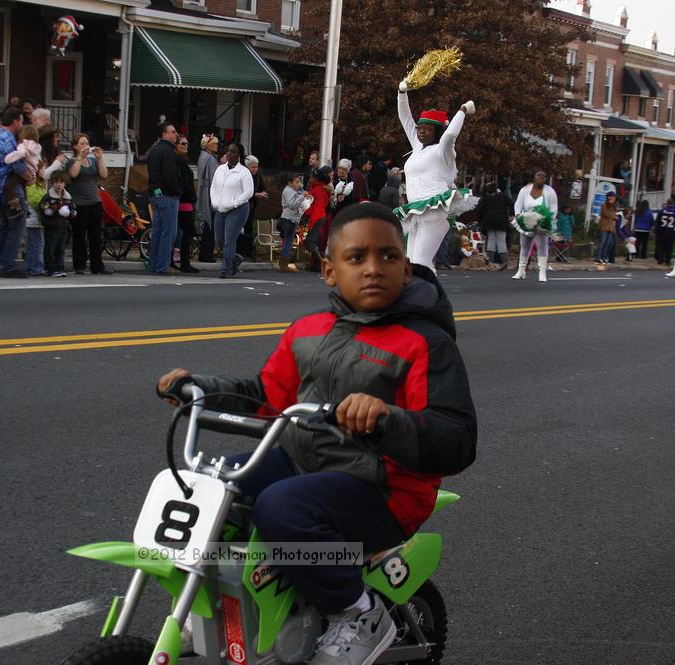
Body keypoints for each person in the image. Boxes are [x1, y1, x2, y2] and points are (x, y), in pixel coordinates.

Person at [156, 201, 476, 665]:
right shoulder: (308, 331)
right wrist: (200, 390)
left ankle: (358, 613)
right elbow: (266, 395)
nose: (374, 268)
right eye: (356, 257)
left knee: (282, 506)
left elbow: (457, 438)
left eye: (388, 257)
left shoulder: (425, 342)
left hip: (384, 487)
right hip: (307, 463)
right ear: (329, 270)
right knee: (221, 482)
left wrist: (387, 419)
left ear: (407, 271)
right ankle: (203, 604)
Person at [396, 81, 476, 271]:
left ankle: (427, 298)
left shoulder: (442, 151)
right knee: (410, 263)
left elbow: (449, 136)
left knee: (420, 263)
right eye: (420, 128)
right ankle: (424, 297)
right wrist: (401, 92)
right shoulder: (417, 147)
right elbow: (405, 118)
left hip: (434, 211)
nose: (421, 131)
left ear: (437, 131)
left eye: (427, 129)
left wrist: (463, 110)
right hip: (415, 211)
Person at [0, 107, 29, 277]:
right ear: (15, 121)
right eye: (21, 121)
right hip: (10, 190)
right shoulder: (8, 139)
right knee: (16, 228)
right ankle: (8, 265)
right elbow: (16, 163)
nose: (22, 124)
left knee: (4, 228)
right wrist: (29, 175)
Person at [65, 132, 111, 274]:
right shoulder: (72, 161)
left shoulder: (93, 161)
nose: (85, 146)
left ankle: (97, 266)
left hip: (95, 202)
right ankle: (79, 265)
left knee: (96, 236)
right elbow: (73, 174)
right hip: (79, 203)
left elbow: (104, 175)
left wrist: (100, 158)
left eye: (86, 143)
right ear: (75, 147)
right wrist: (80, 157)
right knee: (79, 235)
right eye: (82, 144)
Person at [210, 143, 255, 278]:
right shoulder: (220, 169)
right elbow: (213, 186)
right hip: (220, 208)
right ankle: (234, 258)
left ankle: (225, 269)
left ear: (239, 155)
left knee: (229, 239)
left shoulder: (244, 172)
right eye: (228, 151)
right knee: (219, 240)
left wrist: (236, 203)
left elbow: (249, 192)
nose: (229, 154)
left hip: (237, 210)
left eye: (233, 152)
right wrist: (215, 202)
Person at [147, 121, 182, 274]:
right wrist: (178, 190)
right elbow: (170, 174)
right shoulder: (168, 151)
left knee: (157, 232)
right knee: (168, 233)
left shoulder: (154, 150)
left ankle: (153, 265)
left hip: (156, 194)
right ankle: (162, 267)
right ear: (165, 134)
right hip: (168, 196)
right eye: (173, 132)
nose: (176, 134)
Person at [511, 171, 559, 281]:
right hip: (527, 220)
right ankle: (521, 271)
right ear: (533, 177)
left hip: (542, 222)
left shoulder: (550, 192)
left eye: (544, 176)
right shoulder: (525, 190)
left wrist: (548, 220)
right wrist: (518, 215)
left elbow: (553, 208)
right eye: (539, 175)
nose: (541, 178)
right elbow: (518, 203)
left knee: (542, 246)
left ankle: (542, 272)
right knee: (524, 246)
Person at [40, 170, 75, 277]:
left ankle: (60, 268)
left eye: (61, 182)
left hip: (64, 228)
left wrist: (70, 214)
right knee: (50, 249)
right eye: (56, 182)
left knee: (61, 249)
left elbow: (74, 210)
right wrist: (57, 212)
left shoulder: (68, 198)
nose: (59, 184)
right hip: (51, 227)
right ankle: (51, 269)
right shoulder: (48, 197)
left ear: (65, 183)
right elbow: (44, 209)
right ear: (52, 183)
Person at [173, 135, 199, 273]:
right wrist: (191, 195)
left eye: (187, 143)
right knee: (188, 231)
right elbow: (184, 182)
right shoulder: (179, 161)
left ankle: (184, 261)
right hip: (184, 201)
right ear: (176, 145)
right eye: (182, 143)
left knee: (184, 231)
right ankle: (184, 262)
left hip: (185, 200)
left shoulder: (182, 161)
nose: (185, 145)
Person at [277, 172, 312, 272]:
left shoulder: (294, 190)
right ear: (289, 183)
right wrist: (302, 197)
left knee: (288, 241)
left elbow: (300, 190)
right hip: (288, 219)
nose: (298, 184)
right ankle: (284, 264)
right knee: (288, 241)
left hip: (292, 219)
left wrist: (303, 193)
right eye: (296, 182)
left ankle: (283, 263)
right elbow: (292, 205)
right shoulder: (288, 191)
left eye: (299, 182)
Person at [196, 133, 220, 262]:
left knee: (207, 225)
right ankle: (206, 254)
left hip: (205, 192)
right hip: (211, 194)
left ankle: (204, 253)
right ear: (208, 145)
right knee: (210, 226)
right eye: (214, 143)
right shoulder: (210, 159)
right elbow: (214, 178)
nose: (216, 145)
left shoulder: (202, 157)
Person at [303, 166, 332, 271]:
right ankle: (316, 264)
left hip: (317, 217)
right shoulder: (318, 188)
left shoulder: (318, 190)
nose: (309, 179)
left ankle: (321, 264)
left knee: (310, 241)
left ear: (316, 179)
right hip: (319, 217)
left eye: (311, 178)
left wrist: (310, 218)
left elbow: (316, 207)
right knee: (315, 241)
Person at [476, 188, 513, 269]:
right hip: (502, 221)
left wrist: (480, 220)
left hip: (489, 222)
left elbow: (478, 209)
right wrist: (511, 214)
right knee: (501, 241)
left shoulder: (485, 198)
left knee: (491, 240)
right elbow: (511, 203)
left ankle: (490, 261)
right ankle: (504, 261)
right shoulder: (503, 196)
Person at [241, 155, 267, 259]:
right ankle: (241, 250)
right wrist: (256, 194)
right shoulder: (243, 175)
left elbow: (262, 187)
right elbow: (242, 191)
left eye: (256, 167)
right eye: (253, 167)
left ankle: (249, 251)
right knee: (242, 228)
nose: (255, 169)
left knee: (249, 229)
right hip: (242, 205)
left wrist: (263, 193)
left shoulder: (257, 175)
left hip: (252, 205)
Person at [653, 197, 675, 265]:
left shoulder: (661, 211)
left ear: (667, 203)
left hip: (661, 231)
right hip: (671, 232)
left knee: (660, 246)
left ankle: (660, 259)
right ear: (673, 203)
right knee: (669, 247)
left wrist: (656, 229)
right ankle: (667, 261)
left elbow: (657, 221)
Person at [594, 191, 619, 264]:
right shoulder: (604, 205)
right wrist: (613, 214)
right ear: (609, 197)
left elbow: (614, 215)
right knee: (602, 242)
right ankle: (598, 257)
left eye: (614, 197)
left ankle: (604, 257)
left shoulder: (614, 206)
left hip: (611, 227)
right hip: (604, 226)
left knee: (608, 243)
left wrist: (614, 214)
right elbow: (607, 214)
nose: (613, 198)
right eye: (612, 196)